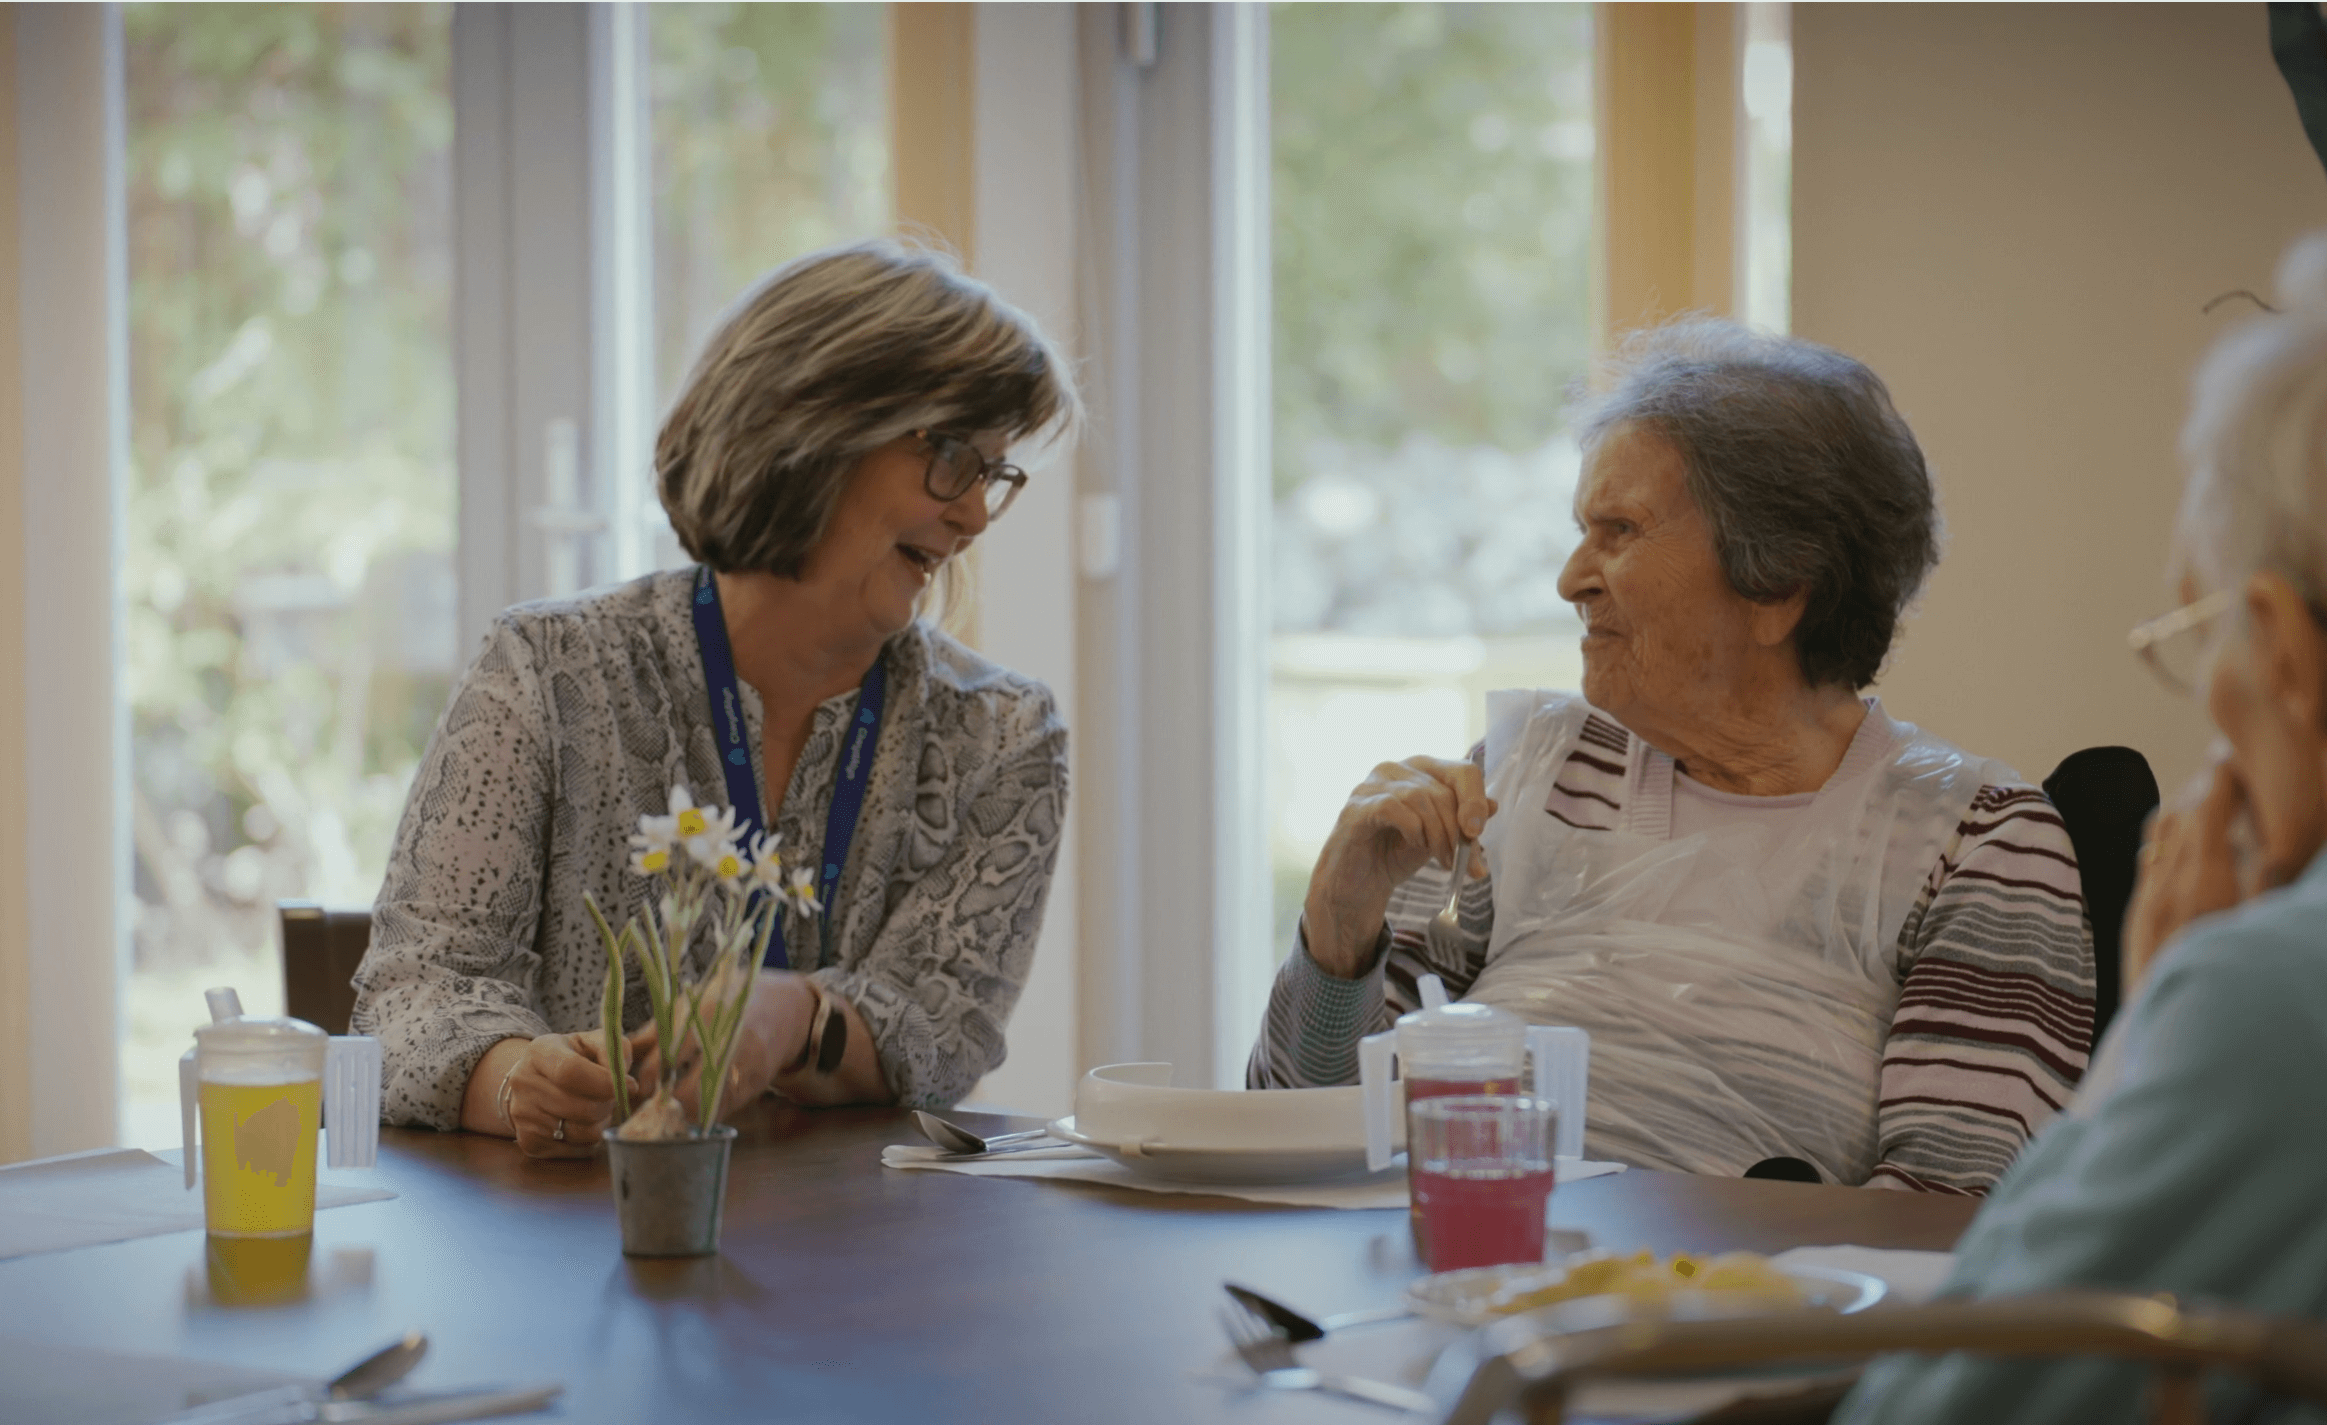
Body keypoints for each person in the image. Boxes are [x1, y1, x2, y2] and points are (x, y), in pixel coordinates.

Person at [1250, 320, 2094, 1194]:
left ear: (1779, 584)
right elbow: (1298, 1137)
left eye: (1618, 530)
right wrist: (1339, 922)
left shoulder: (1976, 842)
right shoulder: (1524, 775)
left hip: (1731, 1322)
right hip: (1458, 1277)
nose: (1570, 577)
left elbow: (1949, 1224)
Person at [351, 240, 1079, 1156]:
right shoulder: (546, 668)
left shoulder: (1002, 736)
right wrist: (514, 1078)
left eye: (994, 475)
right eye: (953, 461)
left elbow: (942, 1028)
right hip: (557, 1236)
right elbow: (414, 991)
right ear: (813, 430)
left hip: (855, 1257)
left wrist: (788, 1017)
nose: (974, 516)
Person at [1838, 236, 2327, 1421]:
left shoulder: (2270, 995)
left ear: (2275, 646)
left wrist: (2151, 1033)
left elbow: (1929, 1408)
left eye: (2194, 634)